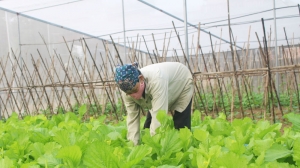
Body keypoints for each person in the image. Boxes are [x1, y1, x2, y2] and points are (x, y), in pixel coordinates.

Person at [115, 62, 194, 145]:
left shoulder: (157, 80)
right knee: (147, 127)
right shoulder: (126, 89)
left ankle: (184, 148)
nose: (133, 95)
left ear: (141, 79)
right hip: (161, 88)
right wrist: (133, 146)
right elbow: (132, 118)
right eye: (129, 93)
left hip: (181, 82)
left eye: (134, 90)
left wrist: (155, 146)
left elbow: (158, 118)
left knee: (180, 124)